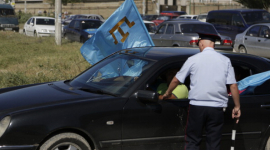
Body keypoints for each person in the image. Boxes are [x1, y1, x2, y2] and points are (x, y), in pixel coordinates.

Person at [163, 32, 241, 150]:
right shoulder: (225, 60)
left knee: (193, 141)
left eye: (199, 44)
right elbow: (233, 86)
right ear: (213, 45)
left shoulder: (193, 59)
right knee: (213, 143)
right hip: (217, 108)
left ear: (201, 44)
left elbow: (176, 80)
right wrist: (237, 106)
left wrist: (167, 93)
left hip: (197, 107)